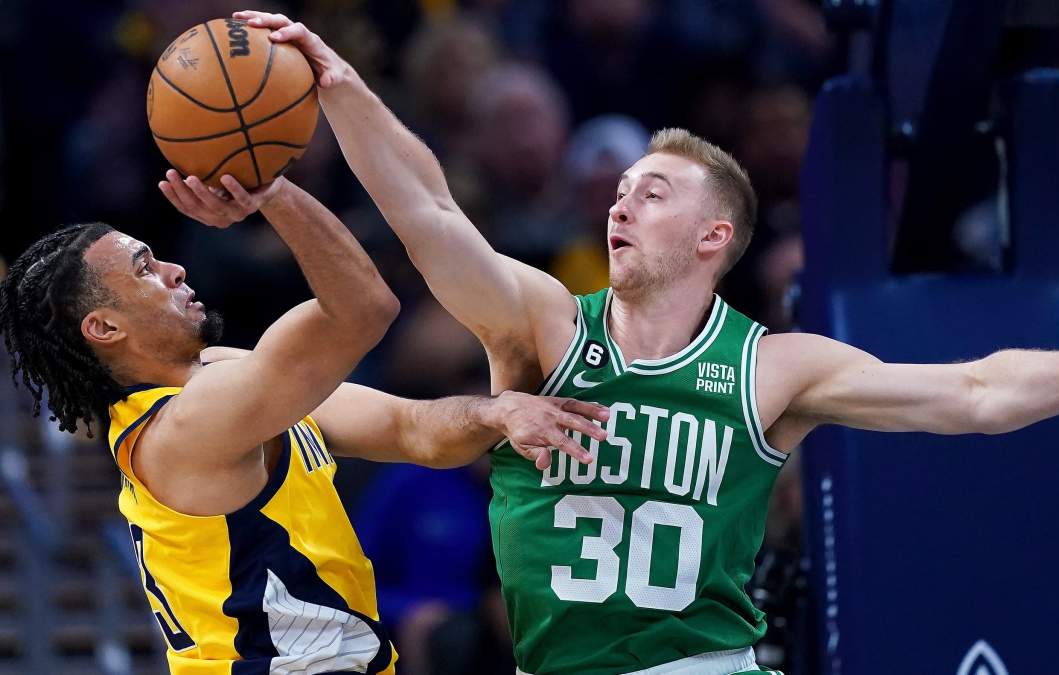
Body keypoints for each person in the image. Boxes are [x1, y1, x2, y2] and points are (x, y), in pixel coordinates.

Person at [235, 12, 1059, 674]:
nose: (621, 203)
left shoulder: (773, 368)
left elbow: (974, 392)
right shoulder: (543, 324)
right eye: (620, 191)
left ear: (714, 237)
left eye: (652, 192)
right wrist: (344, 89)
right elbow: (431, 213)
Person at [0, 173, 609, 674]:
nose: (174, 269)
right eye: (144, 269)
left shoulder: (221, 379)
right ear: (105, 328)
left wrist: (494, 411)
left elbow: (409, 430)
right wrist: (272, 191)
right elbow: (363, 310)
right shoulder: (188, 425)